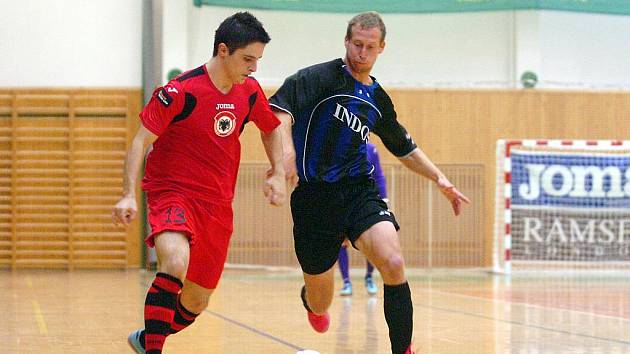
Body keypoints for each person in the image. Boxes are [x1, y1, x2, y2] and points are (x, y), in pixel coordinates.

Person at [269, 11, 470, 354]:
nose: (361, 52)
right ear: (346, 41)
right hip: (314, 198)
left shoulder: (377, 99)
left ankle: (402, 350)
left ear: (381, 48)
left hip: (358, 191)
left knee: (393, 262)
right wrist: (284, 154)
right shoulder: (317, 78)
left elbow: (404, 147)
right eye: (357, 44)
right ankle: (310, 300)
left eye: (370, 47)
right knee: (321, 302)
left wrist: (440, 178)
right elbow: (279, 110)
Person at [112, 12, 285, 354]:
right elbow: (139, 142)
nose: (254, 68)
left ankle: (147, 338)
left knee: (195, 302)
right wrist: (127, 194)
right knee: (175, 263)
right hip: (172, 193)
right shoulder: (180, 91)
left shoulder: (249, 92)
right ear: (223, 51)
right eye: (247, 59)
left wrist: (278, 171)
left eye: (258, 60)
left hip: (217, 206)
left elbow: (270, 127)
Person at [338, 142, 386, 296]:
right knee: (342, 242)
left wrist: (384, 199)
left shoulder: (371, 149)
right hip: (343, 200)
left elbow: (378, 175)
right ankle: (346, 282)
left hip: (365, 201)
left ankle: (369, 277)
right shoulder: (341, 145)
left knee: (372, 242)